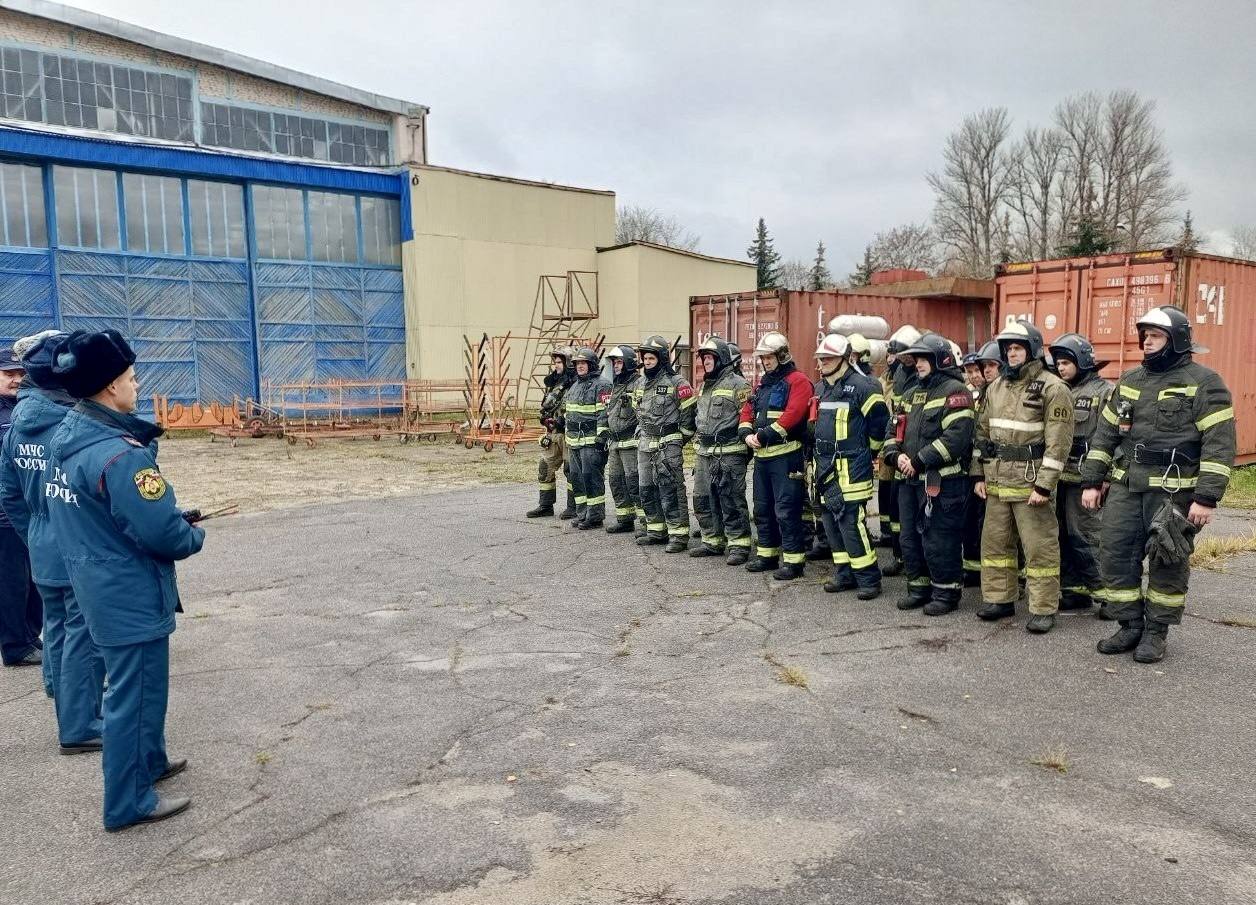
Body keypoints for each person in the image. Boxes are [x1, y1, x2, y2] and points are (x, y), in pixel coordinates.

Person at [46, 329, 204, 831]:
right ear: (112, 385)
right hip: (128, 591)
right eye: (132, 378)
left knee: (142, 690)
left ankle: (149, 761)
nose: (137, 386)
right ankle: (127, 801)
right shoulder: (121, 454)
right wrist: (189, 534)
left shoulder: (69, 440)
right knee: (134, 696)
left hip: (97, 581)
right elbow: (161, 533)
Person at [1081, 305, 1236, 663]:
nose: (1147, 342)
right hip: (1126, 487)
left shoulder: (1205, 383)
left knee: (1168, 559)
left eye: (1155, 336)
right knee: (1115, 554)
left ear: (1177, 340)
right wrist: (1092, 480)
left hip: (1173, 492)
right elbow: (1104, 435)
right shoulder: (1130, 381)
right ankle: (1129, 625)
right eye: (1145, 336)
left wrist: (1206, 498)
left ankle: (1155, 633)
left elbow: (1219, 444)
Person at [0, 332, 105, 753]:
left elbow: (10, 494)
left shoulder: (17, 424)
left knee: (58, 625)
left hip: (42, 539)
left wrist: (34, 533)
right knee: (82, 633)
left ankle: (60, 692)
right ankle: (80, 725)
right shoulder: (71, 425)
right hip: (77, 540)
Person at [972, 321, 1073, 634]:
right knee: (995, 545)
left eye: (1017, 348)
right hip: (996, 480)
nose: (1012, 354)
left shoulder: (1053, 388)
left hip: (1031, 483)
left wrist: (1044, 485)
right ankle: (999, 599)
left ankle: (1043, 608)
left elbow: (1059, 444)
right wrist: (978, 474)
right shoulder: (996, 387)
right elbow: (982, 434)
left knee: (1039, 548)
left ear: (1032, 350)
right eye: (1008, 349)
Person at [881, 333, 975, 615]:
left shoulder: (956, 392)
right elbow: (892, 430)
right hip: (909, 482)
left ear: (941, 360)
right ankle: (918, 588)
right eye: (917, 358)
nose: (919, 363)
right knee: (909, 538)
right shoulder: (911, 393)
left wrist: (919, 460)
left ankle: (946, 593)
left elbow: (956, 438)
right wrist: (896, 456)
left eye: (924, 358)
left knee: (939, 538)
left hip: (942, 482)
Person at [810, 334, 889, 598]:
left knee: (850, 523)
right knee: (831, 523)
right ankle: (844, 574)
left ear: (845, 358)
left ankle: (869, 579)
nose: (822, 363)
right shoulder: (820, 389)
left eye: (828, 358)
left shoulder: (865, 387)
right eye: (821, 358)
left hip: (852, 466)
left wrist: (869, 454)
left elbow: (879, 426)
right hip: (825, 467)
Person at [1047, 333, 1114, 616]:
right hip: (1061, 478)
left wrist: (1104, 478)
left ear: (1082, 361)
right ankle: (1074, 591)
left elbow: (1114, 438)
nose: (1060, 367)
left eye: (1066, 362)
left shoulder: (1106, 392)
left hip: (1087, 480)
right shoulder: (1060, 391)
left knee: (1086, 536)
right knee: (1062, 536)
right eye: (1058, 363)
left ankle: (1109, 597)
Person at [739, 331, 813, 580]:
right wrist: (746, 433)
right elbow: (747, 410)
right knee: (762, 509)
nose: (766, 361)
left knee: (786, 510)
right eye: (763, 358)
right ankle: (767, 556)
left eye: (769, 357)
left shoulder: (798, 381)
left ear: (782, 356)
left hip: (786, 457)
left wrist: (763, 436)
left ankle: (794, 562)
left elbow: (793, 415)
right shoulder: (763, 384)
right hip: (763, 459)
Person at [691, 336, 753, 563]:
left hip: (729, 452)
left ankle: (739, 545)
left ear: (722, 359)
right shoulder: (704, 386)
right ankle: (712, 540)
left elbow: (748, 418)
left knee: (731, 499)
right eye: (704, 358)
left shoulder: (739, 385)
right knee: (702, 498)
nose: (706, 362)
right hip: (704, 452)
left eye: (711, 357)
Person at [0, 347, 42, 669]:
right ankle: (15, 646)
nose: (15, 379)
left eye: (19, 374)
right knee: (12, 582)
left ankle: (29, 635)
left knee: (34, 579)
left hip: (29, 510)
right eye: (8, 374)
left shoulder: (23, 409)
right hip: (4, 515)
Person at [634, 335, 696, 552]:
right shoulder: (639, 383)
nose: (648, 362)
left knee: (671, 489)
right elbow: (637, 411)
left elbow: (689, 417)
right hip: (645, 444)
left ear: (661, 359)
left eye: (651, 358)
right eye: (645, 358)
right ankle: (656, 530)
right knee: (646, 488)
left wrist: (678, 440)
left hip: (668, 445)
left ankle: (678, 535)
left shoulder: (678, 383)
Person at [959, 341, 999, 587]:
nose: (975, 375)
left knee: (990, 524)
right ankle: (972, 569)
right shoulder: (968, 395)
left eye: (978, 370)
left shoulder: (996, 394)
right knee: (969, 521)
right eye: (970, 371)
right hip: (970, 467)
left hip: (990, 466)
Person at [563, 347, 611, 529]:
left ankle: (595, 516)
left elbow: (604, 414)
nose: (580, 366)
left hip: (591, 442)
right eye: (577, 363)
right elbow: (570, 413)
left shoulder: (603, 385)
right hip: (574, 441)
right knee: (577, 478)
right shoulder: (575, 385)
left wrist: (601, 440)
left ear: (592, 365)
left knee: (591, 478)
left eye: (583, 363)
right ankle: (582, 513)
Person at [527, 347, 577, 519]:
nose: (556, 365)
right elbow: (547, 405)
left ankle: (573, 507)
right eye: (555, 362)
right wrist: (544, 419)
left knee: (571, 471)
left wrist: (562, 420)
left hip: (568, 434)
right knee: (545, 467)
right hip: (553, 434)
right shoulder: (555, 383)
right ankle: (545, 505)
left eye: (559, 362)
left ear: (568, 363)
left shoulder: (576, 383)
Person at [601, 346, 643, 536]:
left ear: (628, 363)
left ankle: (647, 523)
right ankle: (625, 519)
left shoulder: (638, 384)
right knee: (616, 481)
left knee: (634, 482)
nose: (616, 366)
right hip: (615, 443)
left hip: (631, 444)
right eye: (614, 362)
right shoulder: (616, 385)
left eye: (619, 362)